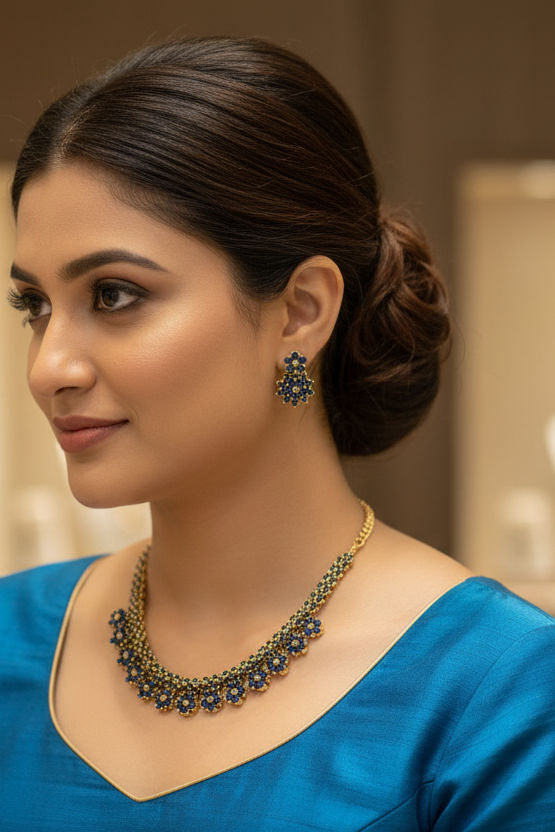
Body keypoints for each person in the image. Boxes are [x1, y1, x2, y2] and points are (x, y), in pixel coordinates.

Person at [1, 37, 554, 830]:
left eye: (115, 295)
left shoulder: (498, 691)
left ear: (300, 310)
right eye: (35, 307)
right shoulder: (10, 640)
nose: (49, 365)